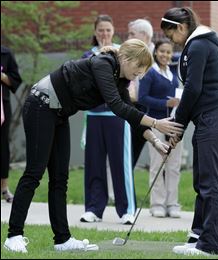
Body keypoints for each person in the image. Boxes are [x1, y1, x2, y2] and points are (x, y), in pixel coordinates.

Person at [3, 38, 184, 253]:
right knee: (34, 173)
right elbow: (117, 106)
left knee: (60, 178)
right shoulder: (103, 65)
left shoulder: (120, 79)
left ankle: (62, 239)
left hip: (59, 112)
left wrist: (154, 140)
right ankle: (14, 235)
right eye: (136, 70)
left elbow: (128, 111)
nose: (137, 76)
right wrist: (155, 123)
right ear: (125, 59)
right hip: (40, 106)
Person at [161, 7, 218, 256]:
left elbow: (193, 89)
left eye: (171, 35)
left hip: (214, 117)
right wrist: (181, 125)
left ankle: (211, 244)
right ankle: (197, 237)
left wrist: (177, 124)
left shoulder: (199, 46)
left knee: (211, 183)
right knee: (201, 180)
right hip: (207, 118)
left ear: (180, 28)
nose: (171, 40)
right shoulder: (195, 45)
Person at [79, 14, 135, 225]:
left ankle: (127, 209)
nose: (104, 33)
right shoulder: (87, 55)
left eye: (108, 30)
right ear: (95, 32)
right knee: (94, 164)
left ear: (113, 32)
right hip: (93, 116)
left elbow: (128, 81)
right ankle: (93, 208)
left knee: (120, 164)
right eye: (100, 30)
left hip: (117, 116)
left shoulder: (121, 52)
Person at [139, 39, 183, 218]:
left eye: (168, 52)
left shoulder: (172, 74)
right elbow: (142, 98)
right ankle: (157, 203)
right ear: (155, 52)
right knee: (157, 164)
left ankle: (172, 203)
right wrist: (165, 102)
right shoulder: (150, 73)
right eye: (162, 51)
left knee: (173, 166)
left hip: (173, 124)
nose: (165, 55)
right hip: (156, 124)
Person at [127, 18, 155, 167]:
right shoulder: (131, 55)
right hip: (132, 107)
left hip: (153, 112)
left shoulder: (160, 56)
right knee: (129, 156)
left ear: (144, 35)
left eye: (132, 34)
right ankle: (126, 189)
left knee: (158, 161)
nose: (128, 38)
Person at [1, 46, 22, 203]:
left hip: (2, 106)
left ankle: (4, 188)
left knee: (2, 145)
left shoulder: (6, 53)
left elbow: (15, 80)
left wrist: (1, 75)